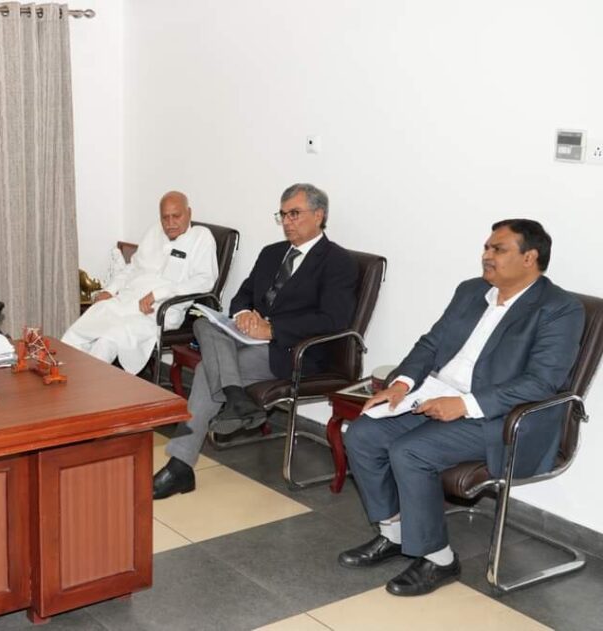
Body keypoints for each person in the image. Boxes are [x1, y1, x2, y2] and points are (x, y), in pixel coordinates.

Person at [338, 219, 583, 597]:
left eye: (498, 249)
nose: (487, 255)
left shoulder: (559, 309)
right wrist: (401, 385)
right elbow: (431, 344)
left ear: (529, 258)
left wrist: (465, 404)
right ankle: (395, 533)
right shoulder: (472, 291)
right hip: (436, 394)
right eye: (486, 247)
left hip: (502, 418)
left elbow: (542, 382)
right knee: (363, 434)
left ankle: (439, 558)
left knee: (410, 451)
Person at [153, 183, 358, 499]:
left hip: (291, 349)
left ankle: (181, 464)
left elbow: (333, 320)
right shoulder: (272, 253)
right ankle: (236, 398)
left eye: (294, 214)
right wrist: (244, 314)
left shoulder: (337, 262)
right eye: (283, 214)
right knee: (204, 324)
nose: (287, 221)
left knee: (208, 370)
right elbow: (243, 295)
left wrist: (272, 329)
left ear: (319, 215)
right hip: (246, 336)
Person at [62, 191, 218, 375]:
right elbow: (133, 267)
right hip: (126, 300)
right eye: (165, 217)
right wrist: (110, 290)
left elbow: (204, 281)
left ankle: (88, 385)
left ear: (189, 213)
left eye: (176, 216)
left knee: (108, 339)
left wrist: (157, 294)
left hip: (156, 311)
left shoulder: (201, 237)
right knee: (84, 325)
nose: (170, 223)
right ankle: (62, 373)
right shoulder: (154, 232)